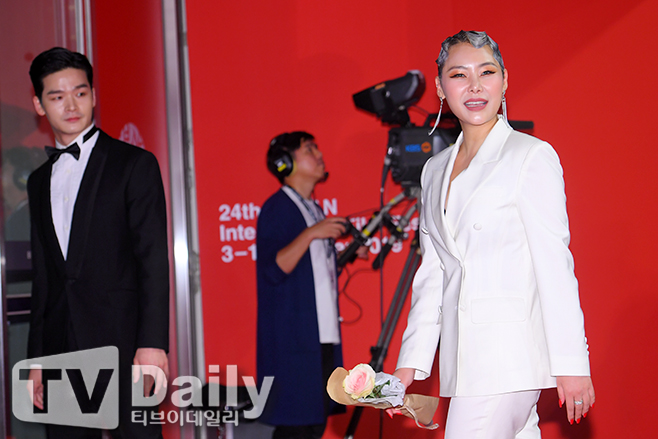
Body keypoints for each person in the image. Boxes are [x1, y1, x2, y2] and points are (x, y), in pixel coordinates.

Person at [390, 31, 595, 438]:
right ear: (440, 88)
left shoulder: (530, 156)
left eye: (486, 72)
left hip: (507, 360)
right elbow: (434, 274)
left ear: (504, 80)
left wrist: (572, 364)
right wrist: (409, 364)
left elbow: (555, 267)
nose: (475, 86)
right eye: (459, 75)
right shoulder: (434, 170)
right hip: (463, 363)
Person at [26, 47, 169, 439]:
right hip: (61, 347)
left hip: (124, 345)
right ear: (39, 105)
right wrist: (36, 360)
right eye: (57, 96)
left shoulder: (134, 164)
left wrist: (152, 344)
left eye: (81, 92)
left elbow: (153, 261)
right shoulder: (38, 182)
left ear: (93, 95)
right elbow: (44, 277)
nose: (71, 105)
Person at [256, 132, 349, 439]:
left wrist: (345, 253)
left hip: (321, 336)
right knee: (296, 427)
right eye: (309, 149)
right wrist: (311, 234)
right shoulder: (278, 208)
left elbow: (312, 270)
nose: (319, 155)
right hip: (294, 340)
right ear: (285, 163)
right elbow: (273, 269)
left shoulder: (313, 208)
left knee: (315, 422)